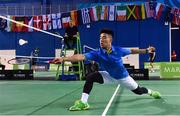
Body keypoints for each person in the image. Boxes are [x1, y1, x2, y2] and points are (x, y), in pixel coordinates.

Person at [52, 29, 161, 111]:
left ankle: (151, 92)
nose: (101, 40)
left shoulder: (118, 50)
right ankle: (83, 102)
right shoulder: (97, 53)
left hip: (123, 78)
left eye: (104, 37)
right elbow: (81, 56)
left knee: (139, 91)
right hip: (109, 76)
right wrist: (63, 58)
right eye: (100, 38)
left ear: (110, 39)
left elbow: (132, 51)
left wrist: (147, 51)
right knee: (91, 77)